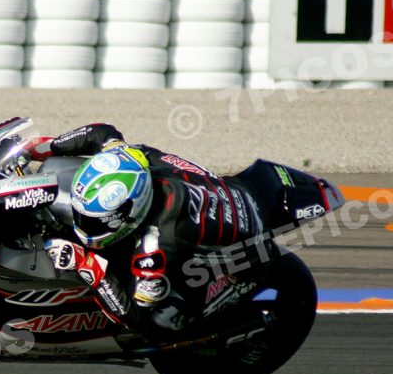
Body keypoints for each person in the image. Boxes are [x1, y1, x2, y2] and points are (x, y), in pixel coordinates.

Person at [16, 124, 267, 340]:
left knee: (161, 323)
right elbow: (99, 133)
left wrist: (86, 263)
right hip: (213, 192)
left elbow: (133, 314)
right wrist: (46, 147)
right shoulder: (130, 157)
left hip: (240, 253)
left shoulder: (155, 249)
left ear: (132, 213)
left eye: (95, 222)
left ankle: (214, 312)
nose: (83, 225)